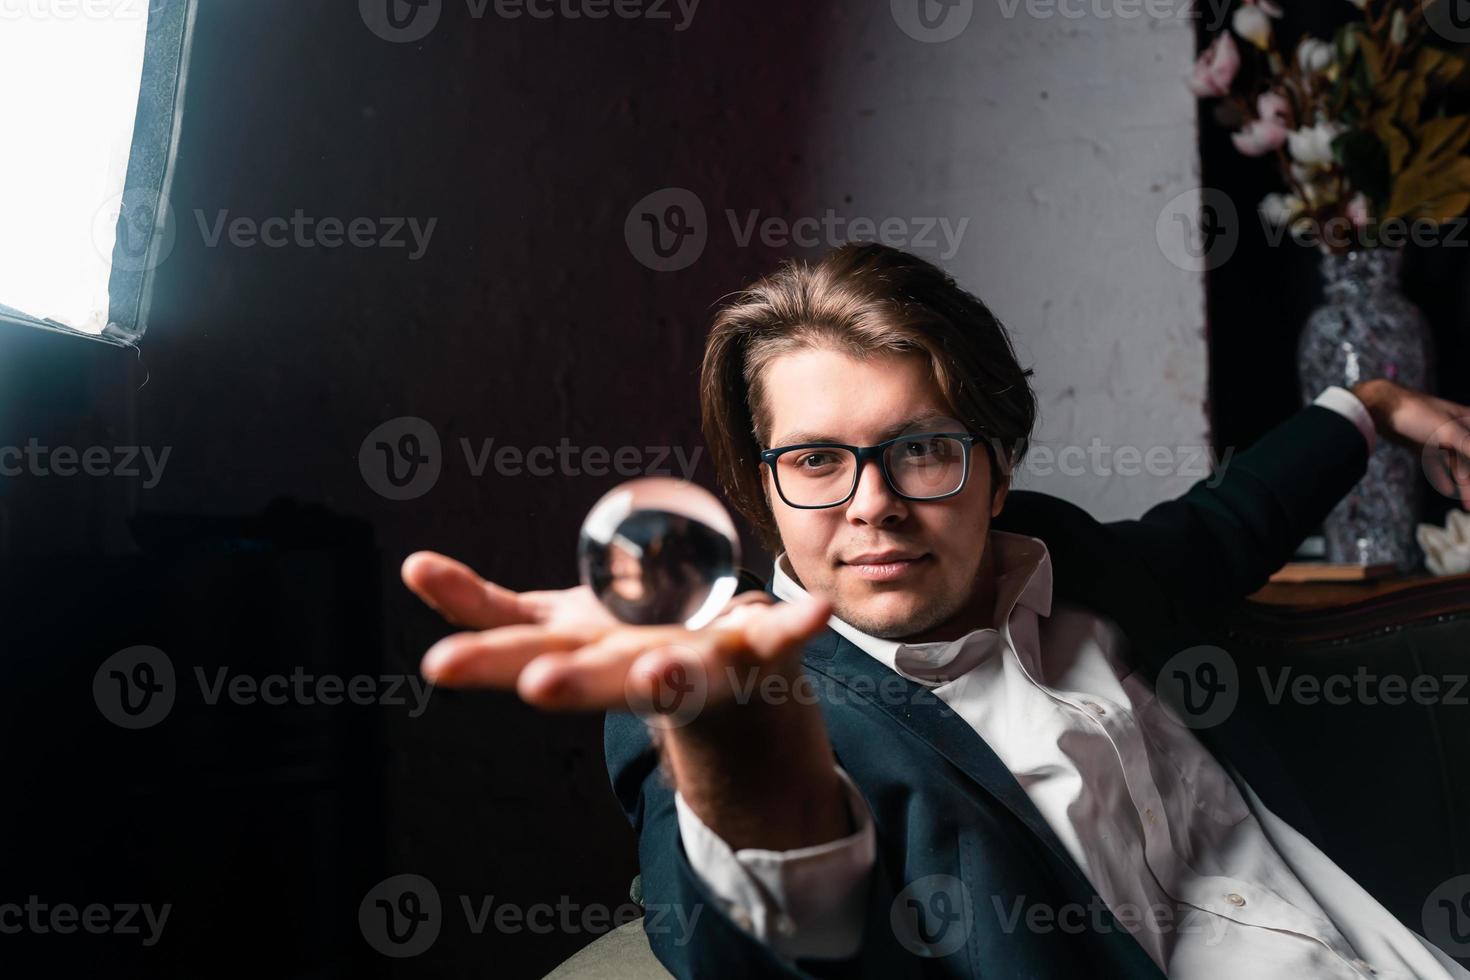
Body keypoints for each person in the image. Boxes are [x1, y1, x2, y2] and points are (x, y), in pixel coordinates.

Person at [404, 243, 1470, 978]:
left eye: (919, 448)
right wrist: (743, 764)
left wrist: (1370, 404)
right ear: (764, 485)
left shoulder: (1070, 558)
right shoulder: (734, 700)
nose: (873, 502)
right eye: (816, 458)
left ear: (995, 470)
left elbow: (1222, 524)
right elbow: (770, 946)